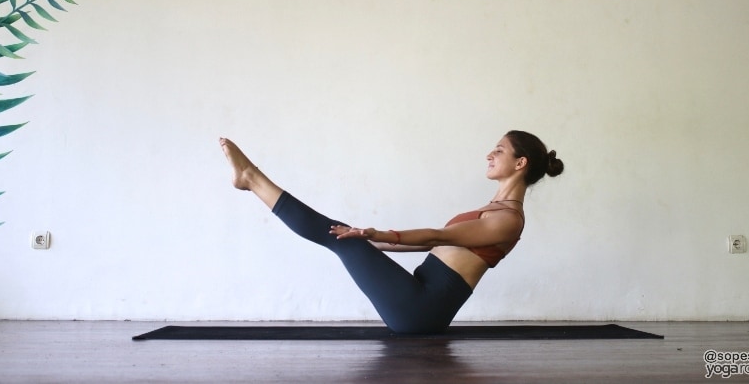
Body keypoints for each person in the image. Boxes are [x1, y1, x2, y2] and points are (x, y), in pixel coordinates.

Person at [219, 130, 563, 334]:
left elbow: (435, 237)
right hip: (419, 299)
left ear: (521, 164)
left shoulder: (509, 220)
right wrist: (374, 244)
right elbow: (430, 247)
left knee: (334, 235)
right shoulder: (493, 210)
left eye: (499, 150)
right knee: (343, 237)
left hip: (421, 311)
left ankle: (250, 178)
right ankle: (250, 178)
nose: (490, 153)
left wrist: (373, 233)